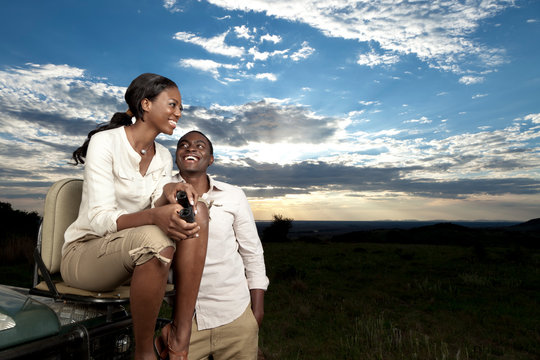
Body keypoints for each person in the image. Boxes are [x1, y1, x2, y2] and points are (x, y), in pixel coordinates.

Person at [61, 73, 209, 360]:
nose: (179, 112)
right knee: (154, 237)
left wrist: (172, 189)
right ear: (146, 105)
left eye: (180, 107)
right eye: (172, 104)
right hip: (85, 253)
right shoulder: (105, 143)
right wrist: (155, 216)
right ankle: (143, 355)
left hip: (131, 253)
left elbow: (156, 196)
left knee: (197, 211)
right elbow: (100, 219)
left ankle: (180, 336)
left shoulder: (163, 156)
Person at [161, 130, 269, 359]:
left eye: (200, 146)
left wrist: (256, 314)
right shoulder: (161, 195)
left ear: (210, 159)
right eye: (183, 144)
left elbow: (252, 253)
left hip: (236, 316)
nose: (191, 148)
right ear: (177, 156)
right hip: (185, 323)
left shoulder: (234, 195)